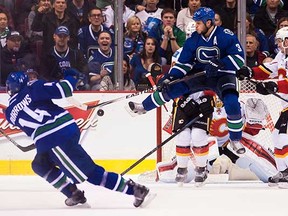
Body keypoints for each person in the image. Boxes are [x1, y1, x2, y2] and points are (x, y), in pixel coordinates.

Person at [4, 70, 153, 207]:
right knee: (40, 165)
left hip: (54, 139)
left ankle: (134, 190)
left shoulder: (9, 113)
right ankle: (73, 194)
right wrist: (72, 77)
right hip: (63, 131)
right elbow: (64, 89)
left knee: (91, 174)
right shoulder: (33, 87)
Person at [127, 7, 246, 155]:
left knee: (232, 102)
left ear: (208, 23)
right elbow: (184, 63)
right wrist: (170, 77)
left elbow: (239, 59)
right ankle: (144, 106)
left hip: (222, 75)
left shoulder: (226, 36)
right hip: (200, 75)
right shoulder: (193, 40)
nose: (196, 26)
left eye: (198, 23)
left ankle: (235, 140)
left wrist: (220, 63)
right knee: (170, 88)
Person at [236, 26, 288, 188]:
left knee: (282, 138)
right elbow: (267, 70)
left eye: (281, 41)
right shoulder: (281, 56)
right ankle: (283, 171)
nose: (278, 44)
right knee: (276, 137)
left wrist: (273, 86)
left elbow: (283, 83)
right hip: (286, 107)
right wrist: (250, 72)